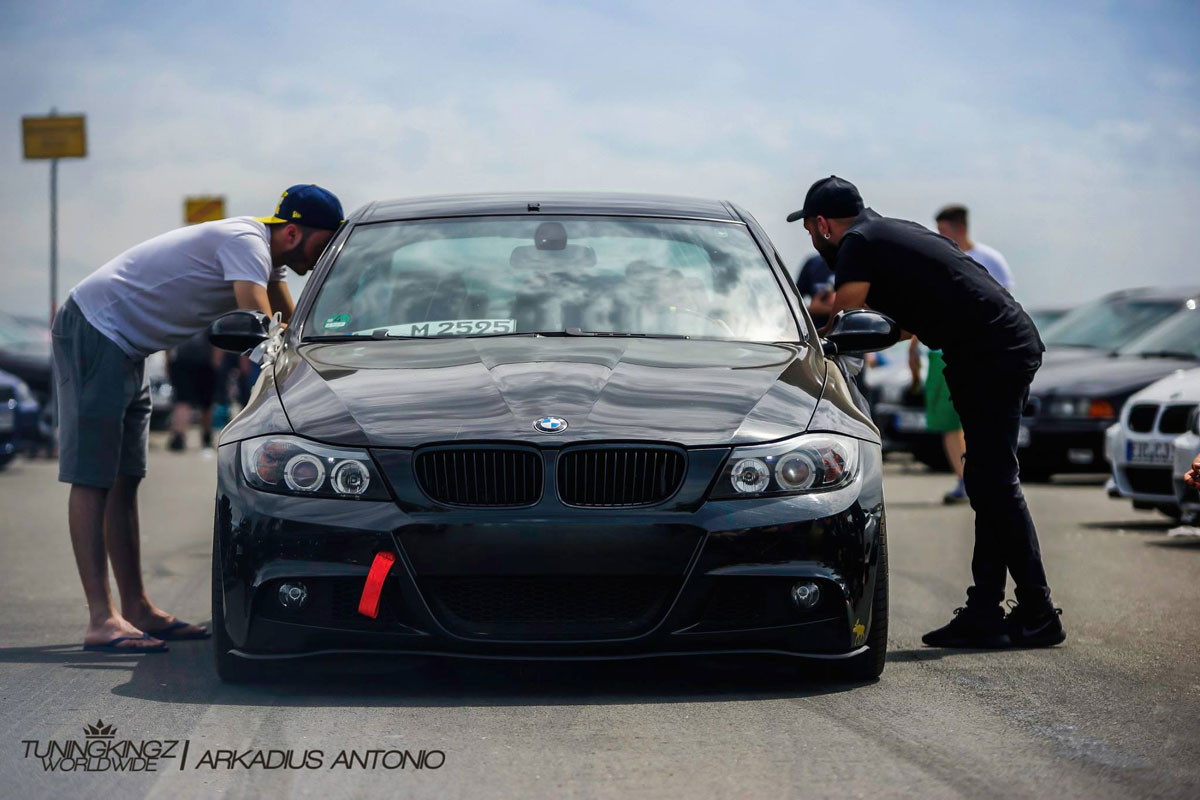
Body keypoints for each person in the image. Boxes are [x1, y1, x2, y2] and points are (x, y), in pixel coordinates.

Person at [52, 184, 343, 652]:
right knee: (91, 478)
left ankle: (136, 607)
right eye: (323, 245)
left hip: (128, 347)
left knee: (125, 480)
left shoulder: (268, 259)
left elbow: (291, 325)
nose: (323, 257)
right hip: (96, 327)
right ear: (292, 232)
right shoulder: (246, 244)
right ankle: (101, 619)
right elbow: (258, 328)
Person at [788, 175, 1063, 649]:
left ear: (822, 224)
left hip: (993, 352)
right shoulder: (886, 234)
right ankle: (984, 610)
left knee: (994, 480)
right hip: (994, 347)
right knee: (985, 479)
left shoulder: (857, 243)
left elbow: (848, 323)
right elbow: (899, 323)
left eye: (810, 231)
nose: (812, 240)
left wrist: (811, 354)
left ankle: (1038, 612)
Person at [921, 205, 1017, 504]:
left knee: (980, 419)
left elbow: (1006, 304)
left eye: (943, 230)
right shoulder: (938, 258)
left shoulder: (990, 260)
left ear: (959, 228)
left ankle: (984, 477)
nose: (940, 236)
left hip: (981, 352)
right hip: (941, 352)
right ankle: (963, 480)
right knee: (948, 422)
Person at [166, 331, 219, 451]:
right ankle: (206, 436)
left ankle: (179, 436)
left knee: (183, 401)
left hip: (182, 360)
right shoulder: (210, 314)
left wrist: (168, 360)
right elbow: (216, 338)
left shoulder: (177, 315)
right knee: (205, 403)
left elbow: (168, 339)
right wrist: (216, 362)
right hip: (204, 361)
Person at [795, 253, 836, 328]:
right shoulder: (813, 264)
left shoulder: (857, 264)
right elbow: (795, 303)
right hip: (817, 331)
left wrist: (822, 309)